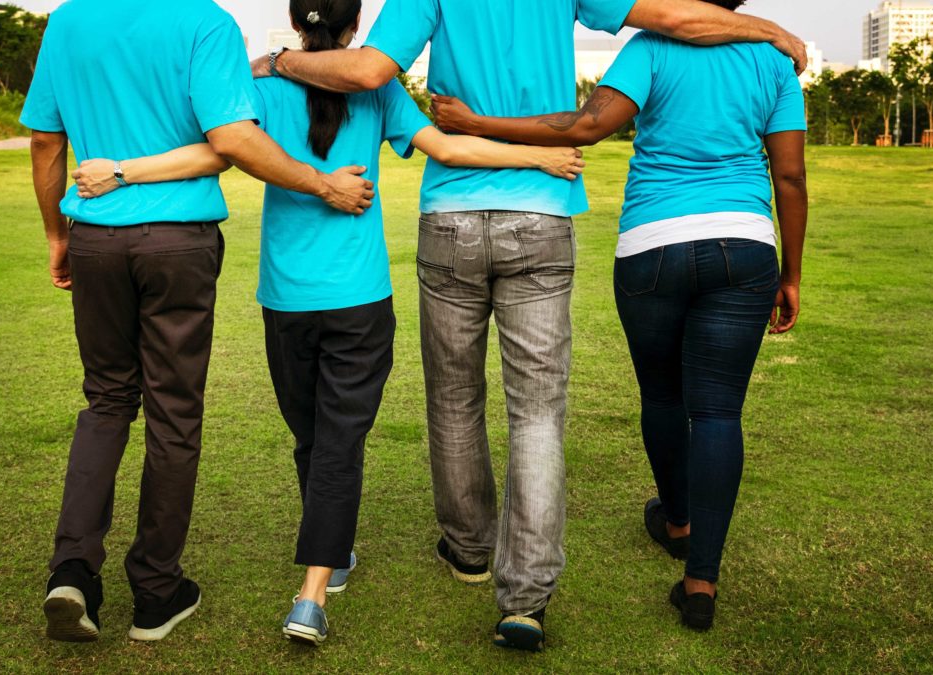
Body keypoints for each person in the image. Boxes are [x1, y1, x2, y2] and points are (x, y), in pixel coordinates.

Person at [251, 0, 807, 652]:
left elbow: (371, 68)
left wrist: (284, 59)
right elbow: (678, 19)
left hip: (452, 217)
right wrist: (766, 27)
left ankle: (468, 549)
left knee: (454, 398)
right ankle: (526, 597)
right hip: (541, 217)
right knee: (538, 413)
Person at [69, 0, 584, 647]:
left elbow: (216, 146)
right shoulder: (381, 92)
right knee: (335, 442)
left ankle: (328, 564)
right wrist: (538, 160)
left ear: (296, 22)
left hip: (286, 299)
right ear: (353, 30)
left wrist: (121, 171)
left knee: (313, 436)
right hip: (359, 297)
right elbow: (446, 147)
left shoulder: (263, 86)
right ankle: (316, 584)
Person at [431, 0, 808, 632]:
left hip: (652, 245)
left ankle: (678, 521)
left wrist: (478, 122)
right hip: (745, 243)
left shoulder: (651, 49)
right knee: (718, 411)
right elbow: (790, 176)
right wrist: (791, 273)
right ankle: (700, 581)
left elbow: (583, 127)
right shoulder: (774, 61)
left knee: (663, 396)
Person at [22, 0, 375, 644]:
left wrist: (55, 233)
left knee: (105, 403)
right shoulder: (205, 22)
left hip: (95, 237)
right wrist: (322, 184)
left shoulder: (68, 20)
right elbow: (231, 141)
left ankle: (72, 570)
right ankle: (157, 593)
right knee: (173, 413)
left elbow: (46, 139)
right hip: (178, 242)